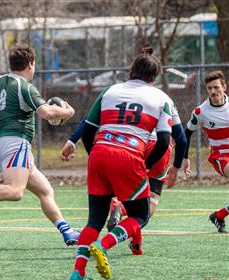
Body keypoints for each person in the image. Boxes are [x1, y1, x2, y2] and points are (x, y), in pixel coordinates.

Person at [61, 46, 188, 256]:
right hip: (144, 150)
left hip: (104, 150)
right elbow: (176, 139)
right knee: (146, 207)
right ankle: (112, 243)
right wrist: (176, 165)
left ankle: (82, 266)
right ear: (154, 77)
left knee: (95, 221)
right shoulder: (161, 97)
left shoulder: (111, 91)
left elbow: (88, 124)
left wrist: (74, 142)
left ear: (131, 71)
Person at [0, 46, 80, 246]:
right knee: (15, 191)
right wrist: (68, 113)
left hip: (1, 146)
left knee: (45, 191)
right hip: (16, 143)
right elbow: (47, 113)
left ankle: (67, 231)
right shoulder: (25, 87)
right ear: (30, 64)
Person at [184, 70, 229, 233]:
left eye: (216, 87)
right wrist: (185, 157)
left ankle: (219, 215)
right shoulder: (200, 112)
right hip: (221, 156)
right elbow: (187, 132)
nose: (213, 91)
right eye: (209, 88)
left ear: (224, 87)